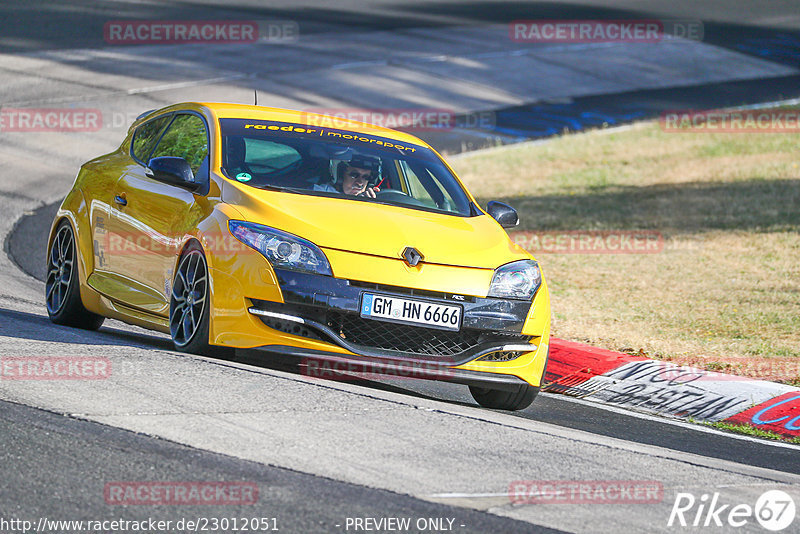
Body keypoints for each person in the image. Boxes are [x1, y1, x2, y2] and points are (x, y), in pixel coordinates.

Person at [313, 155, 381, 197]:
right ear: (340, 176)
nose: (360, 183)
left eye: (366, 177)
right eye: (354, 175)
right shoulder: (317, 194)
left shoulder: (370, 199)